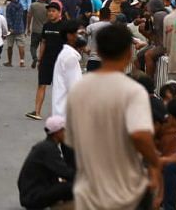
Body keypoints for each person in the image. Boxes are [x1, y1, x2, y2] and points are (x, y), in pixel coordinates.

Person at [64, 23, 160, 210]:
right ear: (129, 54)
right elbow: (140, 135)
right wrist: (155, 163)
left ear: (98, 51)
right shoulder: (133, 91)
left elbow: (72, 141)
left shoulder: (79, 90)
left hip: (88, 193)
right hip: (126, 193)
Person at [17, 114, 75, 210]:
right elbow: (65, 172)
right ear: (57, 133)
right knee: (72, 187)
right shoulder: (48, 149)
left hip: (34, 191)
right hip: (32, 197)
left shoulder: (47, 145)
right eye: (64, 130)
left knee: (72, 184)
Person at [44, 20, 84, 120]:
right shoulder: (70, 58)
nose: (81, 37)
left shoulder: (67, 55)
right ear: (70, 36)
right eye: (79, 33)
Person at [4, 0, 27, 68]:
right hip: (20, 28)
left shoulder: (9, 6)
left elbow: (8, 17)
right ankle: (22, 61)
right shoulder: (20, 5)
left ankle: (9, 61)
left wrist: (11, 27)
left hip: (11, 30)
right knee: (21, 45)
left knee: (10, 45)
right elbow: (20, 17)